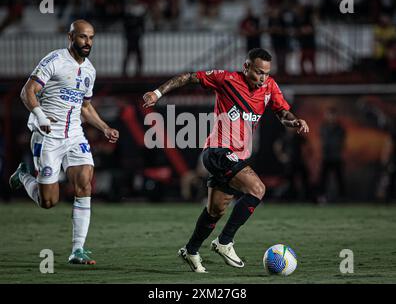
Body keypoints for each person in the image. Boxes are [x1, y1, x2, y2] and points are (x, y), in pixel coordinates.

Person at [142, 48, 309, 273]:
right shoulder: (227, 79)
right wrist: (157, 93)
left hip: (235, 156)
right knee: (257, 189)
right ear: (246, 67)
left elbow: (282, 114)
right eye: (259, 72)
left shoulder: (270, 87)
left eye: (267, 73)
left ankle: (191, 251)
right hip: (218, 151)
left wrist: (295, 121)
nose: (263, 78)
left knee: (215, 211)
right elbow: (188, 77)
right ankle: (224, 242)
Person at [8, 20, 119, 265]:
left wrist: (104, 127)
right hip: (48, 135)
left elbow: (85, 107)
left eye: (91, 37)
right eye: (82, 37)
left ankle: (77, 250)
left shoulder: (90, 70)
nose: (87, 42)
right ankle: (24, 176)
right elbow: (27, 91)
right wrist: (40, 116)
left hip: (74, 135)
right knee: (48, 201)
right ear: (70, 37)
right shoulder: (54, 60)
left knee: (84, 184)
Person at [318, 107, 346, 202]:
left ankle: (342, 197)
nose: (331, 117)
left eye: (333, 115)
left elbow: (340, 142)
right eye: (329, 115)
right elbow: (323, 141)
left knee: (339, 178)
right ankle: (322, 196)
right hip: (326, 156)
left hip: (336, 156)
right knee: (323, 178)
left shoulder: (340, 129)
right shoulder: (324, 127)